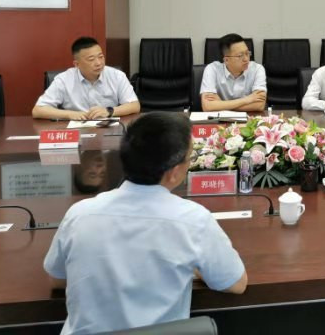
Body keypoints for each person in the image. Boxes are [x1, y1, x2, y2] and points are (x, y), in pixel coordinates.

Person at [44, 112, 247, 334]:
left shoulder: (79, 214)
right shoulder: (193, 220)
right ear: (174, 172)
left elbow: (57, 280)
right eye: (190, 158)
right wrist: (195, 269)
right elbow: (235, 284)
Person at [33, 37, 140, 120]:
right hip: (76, 130)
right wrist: (70, 114)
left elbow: (134, 105)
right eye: (91, 59)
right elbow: (38, 110)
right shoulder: (64, 79)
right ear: (77, 64)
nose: (98, 63)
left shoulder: (117, 76)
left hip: (108, 128)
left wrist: (109, 111)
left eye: (101, 57)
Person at [201, 33, 267, 112]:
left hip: (249, 118)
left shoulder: (257, 69)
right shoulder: (212, 69)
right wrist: (247, 100)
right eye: (240, 55)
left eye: (247, 53)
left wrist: (220, 104)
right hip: (220, 118)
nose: (246, 59)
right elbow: (207, 106)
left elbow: (259, 105)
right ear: (226, 60)